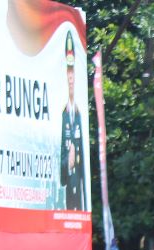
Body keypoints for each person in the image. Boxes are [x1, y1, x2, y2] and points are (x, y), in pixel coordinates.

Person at [59, 31, 87, 210]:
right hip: (69, 182)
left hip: (80, 181)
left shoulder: (78, 113)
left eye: (73, 74)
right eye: (68, 74)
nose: (70, 79)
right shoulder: (63, 114)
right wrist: (67, 163)